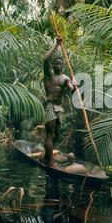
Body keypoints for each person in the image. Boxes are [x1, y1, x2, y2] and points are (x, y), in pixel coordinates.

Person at [43, 37, 77, 166]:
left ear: (62, 65)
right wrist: (56, 45)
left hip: (58, 107)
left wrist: (75, 85)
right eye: (56, 63)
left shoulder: (65, 78)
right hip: (50, 106)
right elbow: (45, 59)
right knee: (50, 133)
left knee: (56, 134)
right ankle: (50, 161)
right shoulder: (49, 75)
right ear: (53, 65)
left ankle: (47, 157)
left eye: (60, 63)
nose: (58, 65)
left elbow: (72, 90)